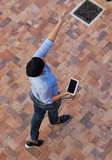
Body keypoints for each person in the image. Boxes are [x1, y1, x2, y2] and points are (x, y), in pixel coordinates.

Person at [25, 10, 74, 149]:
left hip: (35, 95)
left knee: (37, 115)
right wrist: (64, 94)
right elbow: (48, 100)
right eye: (43, 61)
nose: (43, 57)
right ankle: (55, 121)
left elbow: (47, 44)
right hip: (45, 98)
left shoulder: (33, 62)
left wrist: (60, 22)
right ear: (42, 71)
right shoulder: (44, 84)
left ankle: (33, 138)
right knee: (52, 108)